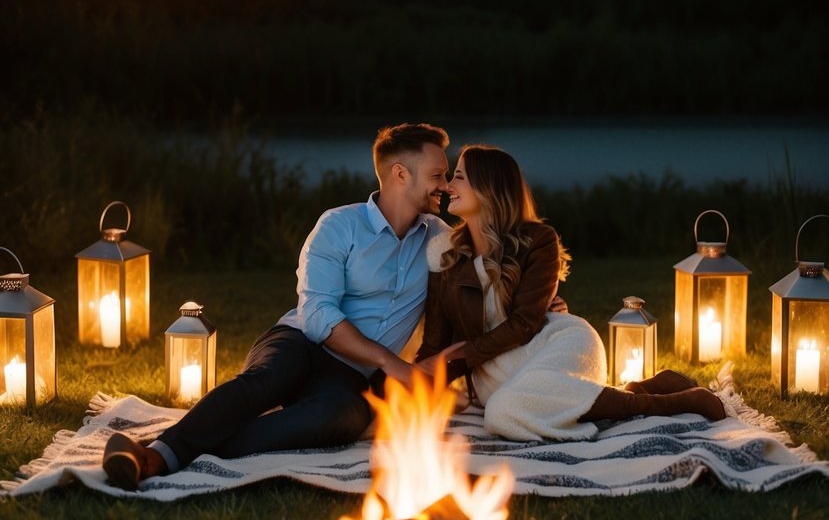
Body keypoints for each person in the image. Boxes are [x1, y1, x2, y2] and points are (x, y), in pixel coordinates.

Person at [102, 122, 454, 490]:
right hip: (299, 341)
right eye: (438, 175)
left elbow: (486, 255)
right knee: (268, 380)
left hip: (351, 376)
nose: (445, 185)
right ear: (400, 174)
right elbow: (318, 315)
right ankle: (155, 457)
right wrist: (390, 362)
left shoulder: (439, 239)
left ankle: (178, 449)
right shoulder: (339, 225)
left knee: (339, 420)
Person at [415, 144, 726, 441]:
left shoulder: (538, 240)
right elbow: (434, 346)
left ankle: (671, 403)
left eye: (459, 175)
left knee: (502, 413)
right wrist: (409, 384)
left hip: (555, 345)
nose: (448, 184)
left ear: (488, 187)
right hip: (496, 376)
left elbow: (525, 323)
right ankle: (638, 390)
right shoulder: (444, 255)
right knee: (504, 407)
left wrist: (458, 354)